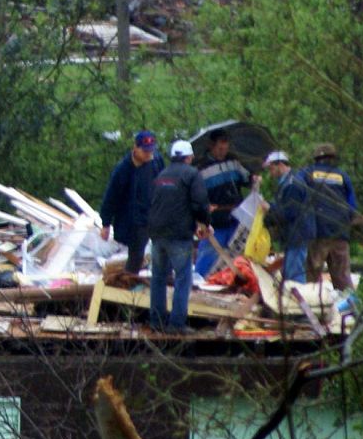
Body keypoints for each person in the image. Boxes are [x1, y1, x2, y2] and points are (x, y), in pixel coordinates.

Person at [149, 139, 211, 332]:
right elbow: (200, 202)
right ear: (189, 157)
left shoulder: (161, 175)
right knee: (183, 278)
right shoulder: (192, 174)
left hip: (157, 234)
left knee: (158, 277)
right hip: (179, 235)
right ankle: (176, 324)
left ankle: (157, 322)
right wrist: (205, 223)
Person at [99, 130, 163, 275]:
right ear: (135, 147)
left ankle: (164, 283)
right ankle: (128, 285)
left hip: (154, 213)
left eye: (150, 151)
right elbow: (111, 197)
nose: (148, 154)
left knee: (164, 250)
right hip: (134, 219)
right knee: (136, 256)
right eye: (145, 151)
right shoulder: (123, 169)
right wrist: (106, 223)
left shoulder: (156, 161)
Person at [194, 128, 253, 277]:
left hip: (235, 216)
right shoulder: (201, 168)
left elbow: (246, 179)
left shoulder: (233, 161)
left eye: (226, 148)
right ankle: (201, 281)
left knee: (236, 255)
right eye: (220, 148)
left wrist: (254, 180)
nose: (223, 152)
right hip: (214, 219)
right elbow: (195, 194)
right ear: (211, 146)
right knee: (208, 254)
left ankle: (229, 280)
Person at [300, 143, 358, 290]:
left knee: (311, 277)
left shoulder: (308, 173)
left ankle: (309, 310)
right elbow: (352, 206)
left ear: (316, 158)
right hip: (340, 233)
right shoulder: (343, 176)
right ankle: (351, 310)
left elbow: (297, 196)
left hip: (317, 232)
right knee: (343, 279)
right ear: (333, 159)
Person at [262, 151, 314, 284]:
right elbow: (283, 206)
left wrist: (270, 209)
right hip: (292, 236)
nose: (270, 172)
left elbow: (291, 212)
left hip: (297, 235)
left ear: (280, 165)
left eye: (271, 168)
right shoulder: (286, 183)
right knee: (289, 273)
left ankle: (298, 302)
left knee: (294, 276)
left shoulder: (292, 184)